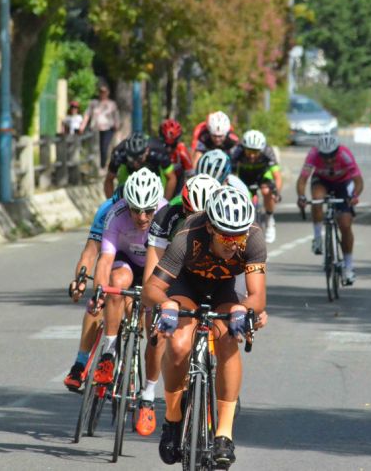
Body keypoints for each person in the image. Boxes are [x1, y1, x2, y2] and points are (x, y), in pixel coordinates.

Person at [142, 186, 267, 468]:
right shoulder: (187, 237)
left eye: (239, 236)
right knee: (178, 345)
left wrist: (243, 309)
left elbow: (258, 297)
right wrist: (167, 304)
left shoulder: (254, 238)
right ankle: (173, 419)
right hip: (187, 285)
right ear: (210, 228)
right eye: (226, 236)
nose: (234, 244)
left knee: (228, 338)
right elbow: (150, 289)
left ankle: (224, 434)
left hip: (225, 288)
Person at [135, 173, 221, 436]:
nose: (198, 222)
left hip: (214, 276)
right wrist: (156, 307)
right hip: (176, 275)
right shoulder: (166, 218)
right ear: (183, 207)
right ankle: (149, 396)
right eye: (191, 214)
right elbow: (153, 273)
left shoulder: (224, 221)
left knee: (225, 328)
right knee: (161, 332)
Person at [92, 168, 166, 388]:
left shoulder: (166, 213)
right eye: (135, 211)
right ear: (128, 205)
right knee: (117, 281)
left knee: (155, 334)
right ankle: (108, 354)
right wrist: (99, 292)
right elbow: (105, 259)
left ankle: (148, 393)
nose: (142, 217)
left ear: (156, 206)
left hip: (155, 264)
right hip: (126, 260)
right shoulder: (116, 214)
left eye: (148, 211)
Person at [63, 186, 124, 391]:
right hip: (111, 255)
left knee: (135, 303)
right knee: (97, 302)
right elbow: (90, 253)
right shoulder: (106, 210)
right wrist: (80, 280)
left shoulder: (148, 214)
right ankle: (80, 364)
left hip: (136, 257)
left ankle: (129, 365)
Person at [296, 132, 363, 285]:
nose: (329, 160)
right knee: (317, 200)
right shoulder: (313, 155)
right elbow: (302, 180)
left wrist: (354, 196)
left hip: (343, 183)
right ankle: (317, 238)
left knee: (345, 224)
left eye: (332, 155)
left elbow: (358, 181)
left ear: (337, 150)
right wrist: (301, 197)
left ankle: (348, 267)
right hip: (322, 181)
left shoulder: (345, 155)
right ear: (319, 153)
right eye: (325, 156)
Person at [231, 130, 283, 243]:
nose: (252, 155)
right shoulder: (237, 151)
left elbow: (277, 176)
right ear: (244, 147)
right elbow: (232, 175)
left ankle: (269, 219)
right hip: (244, 175)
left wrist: (276, 193)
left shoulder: (268, 151)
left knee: (267, 191)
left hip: (262, 174)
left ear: (261, 149)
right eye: (249, 151)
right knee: (243, 196)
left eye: (255, 151)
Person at [104, 132, 177, 200]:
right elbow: (109, 179)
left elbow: (171, 178)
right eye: (131, 159)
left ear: (147, 151)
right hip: (128, 170)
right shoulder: (119, 153)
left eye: (139, 159)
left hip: (153, 168)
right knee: (123, 190)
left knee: (163, 180)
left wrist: (165, 202)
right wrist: (113, 202)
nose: (135, 163)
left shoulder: (158, 150)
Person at [79, 84, 120, 170]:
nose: (102, 94)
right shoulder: (93, 103)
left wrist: (117, 125)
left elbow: (116, 116)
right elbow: (87, 115)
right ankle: (94, 167)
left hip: (108, 129)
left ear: (108, 93)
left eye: (104, 92)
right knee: (94, 148)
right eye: (101, 92)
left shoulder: (112, 104)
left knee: (104, 147)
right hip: (95, 129)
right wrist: (82, 126)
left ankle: (103, 166)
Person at [159, 118, 194, 194]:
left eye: (172, 145)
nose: (168, 149)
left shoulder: (182, 151)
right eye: (166, 145)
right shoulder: (157, 148)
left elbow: (191, 175)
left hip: (179, 185)